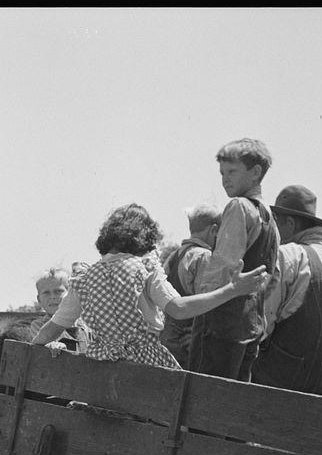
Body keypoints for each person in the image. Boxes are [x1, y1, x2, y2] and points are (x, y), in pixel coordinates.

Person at [30, 203, 270, 369]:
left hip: (99, 370)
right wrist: (232, 290)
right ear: (145, 236)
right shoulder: (144, 267)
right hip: (144, 368)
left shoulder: (85, 277)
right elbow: (178, 308)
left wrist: (29, 355)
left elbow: (51, 329)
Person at [252, 185, 322, 396]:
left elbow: (261, 325)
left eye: (276, 223)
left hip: (271, 390)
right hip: (320, 399)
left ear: (291, 223)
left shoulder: (288, 256)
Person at [189, 138, 281, 381]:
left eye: (232, 171)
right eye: (221, 173)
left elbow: (223, 265)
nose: (224, 179)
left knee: (200, 401)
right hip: (249, 327)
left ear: (255, 173)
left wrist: (199, 305)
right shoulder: (270, 218)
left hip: (220, 324)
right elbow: (273, 274)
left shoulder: (238, 207)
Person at [159, 204, 222, 367]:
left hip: (165, 341)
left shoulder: (173, 256)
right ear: (213, 230)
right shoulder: (205, 257)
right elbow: (207, 303)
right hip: (186, 348)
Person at [29, 267, 87, 352]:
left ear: (69, 295)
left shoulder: (85, 323)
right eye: (46, 293)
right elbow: (38, 347)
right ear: (39, 300)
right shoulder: (38, 325)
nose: (52, 297)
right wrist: (51, 345)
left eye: (58, 291)